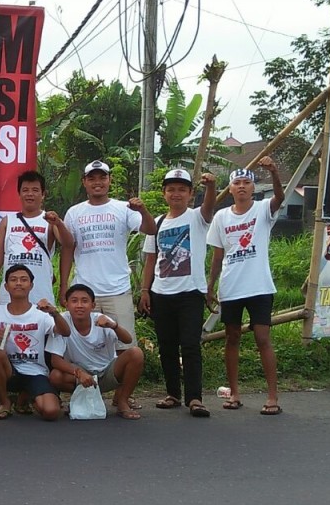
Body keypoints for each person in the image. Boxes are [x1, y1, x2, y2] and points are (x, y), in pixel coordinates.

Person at [60, 160, 156, 409]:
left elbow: (150, 228)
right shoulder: (74, 212)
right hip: (85, 291)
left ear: (109, 181)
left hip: (117, 289)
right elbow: (68, 249)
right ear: (85, 183)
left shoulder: (123, 208)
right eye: (92, 178)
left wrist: (143, 209)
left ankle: (122, 395)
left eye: (102, 177)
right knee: (80, 345)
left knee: (125, 346)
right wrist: (63, 286)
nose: (97, 182)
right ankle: (83, 390)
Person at [207, 157, 285, 416]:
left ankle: (273, 396)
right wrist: (210, 287)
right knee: (232, 338)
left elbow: (280, 198)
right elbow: (217, 256)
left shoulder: (263, 210)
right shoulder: (221, 217)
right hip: (231, 287)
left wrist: (273, 172)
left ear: (253, 187)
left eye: (246, 183)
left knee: (262, 338)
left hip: (260, 286)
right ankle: (234, 393)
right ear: (230, 189)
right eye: (237, 183)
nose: (241, 187)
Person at [139, 169, 217, 418]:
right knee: (167, 346)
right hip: (161, 292)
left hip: (190, 292)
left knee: (191, 345)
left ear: (190, 194)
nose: (176, 194)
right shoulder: (158, 223)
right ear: (164, 194)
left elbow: (209, 206)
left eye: (182, 189)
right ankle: (173, 393)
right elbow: (151, 260)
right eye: (171, 189)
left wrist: (212, 187)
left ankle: (195, 397)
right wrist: (145, 290)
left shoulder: (197, 218)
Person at [0, 265, 71, 421]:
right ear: (6, 286)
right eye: (13, 280)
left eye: (24, 280)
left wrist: (54, 312)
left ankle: (25, 398)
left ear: (31, 286)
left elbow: (65, 332)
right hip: (10, 371)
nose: (18, 283)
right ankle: (5, 403)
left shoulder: (41, 314)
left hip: (36, 371)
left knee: (51, 412)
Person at [48, 284, 145, 419]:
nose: (79, 305)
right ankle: (79, 399)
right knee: (55, 376)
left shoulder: (101, 319)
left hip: (106, 372)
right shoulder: (61, 322)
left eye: (85, 301)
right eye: (74, 301)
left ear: (93, 305)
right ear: (66, 304)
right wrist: (79, 373)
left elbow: (127, 340)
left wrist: (114, 326)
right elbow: (55, 360)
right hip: (80, 375)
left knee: (136, 353)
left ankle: (122, 402)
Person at [0, 170, 73, 308]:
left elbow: (68, 244)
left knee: (42, 328)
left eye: (35, 190)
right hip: (9, 296)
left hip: (41, 294)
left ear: (43, 195)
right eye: (25, 190)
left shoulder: (50, 221)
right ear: (19, 193)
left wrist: (59, 224)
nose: (30, 194)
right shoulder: (7, 221)